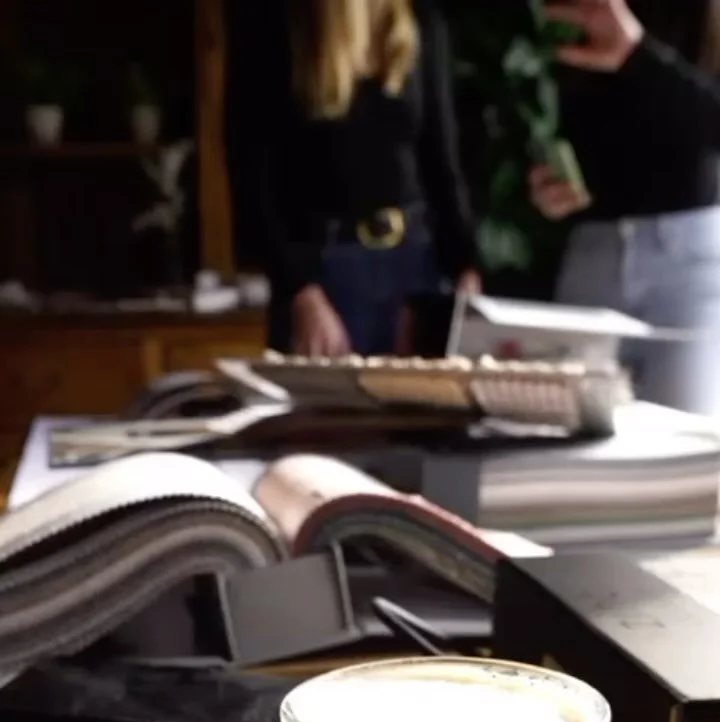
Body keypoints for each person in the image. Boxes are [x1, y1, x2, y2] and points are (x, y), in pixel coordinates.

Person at [224, 0, 481, 358]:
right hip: (323, 272)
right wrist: (299, 291)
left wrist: (466, 269)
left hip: (414, 270)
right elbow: (251, 178)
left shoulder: (420, 21)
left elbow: (442, 164)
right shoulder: (278, 22)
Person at [528, 0, 720, 416]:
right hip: (591, 248)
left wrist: (637, 54)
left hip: (692, 262)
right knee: (568, 440)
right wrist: (551, 185)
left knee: (688, 442)